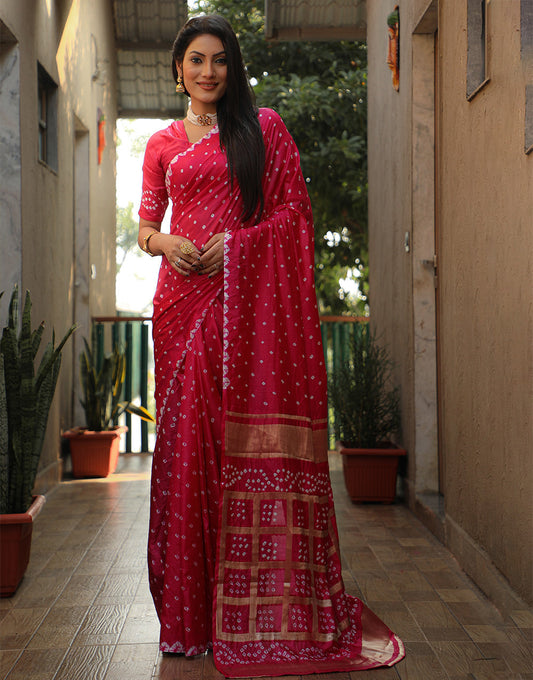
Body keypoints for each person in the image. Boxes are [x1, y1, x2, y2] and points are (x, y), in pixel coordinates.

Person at [138, 14, 404, 677]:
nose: (207, 71)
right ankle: (187, 619)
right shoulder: (163, 144)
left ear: (233, 69)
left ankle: (256, 609)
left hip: (243, 307)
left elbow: (291, 216)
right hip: (180, 309)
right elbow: (146, 224)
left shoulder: (264, 130)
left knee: (234, 449)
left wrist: (237, 245)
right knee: (188, 455)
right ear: (177, 70)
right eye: (196, 60)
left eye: (219, 60)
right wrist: (168, 243)